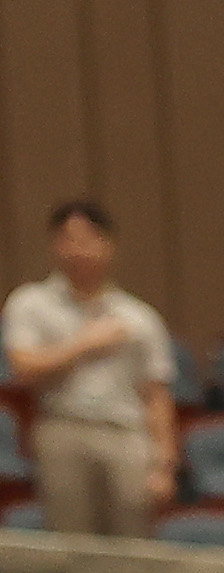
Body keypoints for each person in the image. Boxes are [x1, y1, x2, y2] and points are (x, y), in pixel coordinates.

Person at [5, 205, 174, 543]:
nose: (77, 249)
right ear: (55, 245)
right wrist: (83, 345)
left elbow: (156, 393)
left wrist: (164, 464)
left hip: (128, 435)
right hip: (62, 427)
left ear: (108, 245)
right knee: (71, 546)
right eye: (68, 240)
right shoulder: (30, 303)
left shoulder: (139, 316)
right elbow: (23, 368)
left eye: (88, 240)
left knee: (134, 545)